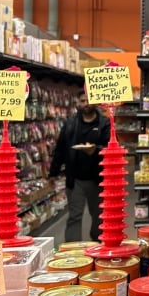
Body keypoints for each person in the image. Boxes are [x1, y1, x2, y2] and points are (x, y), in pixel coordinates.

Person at [49, 91, 110, 242]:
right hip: (75, 179)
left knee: (99, 216)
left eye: (88, 100)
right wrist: (53, 172)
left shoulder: (104, 123)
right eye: (82, 101)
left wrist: (96, 151)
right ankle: (72, 250)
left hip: (98, 179)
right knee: (74, 216)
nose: (86, 103)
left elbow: (111, 148)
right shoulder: (70, 123)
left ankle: (99, 244)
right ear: (78, 102)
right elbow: (61, 149)